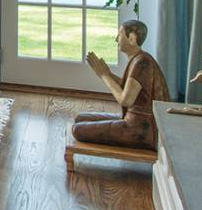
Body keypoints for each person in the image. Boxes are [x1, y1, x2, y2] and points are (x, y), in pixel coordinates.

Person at [72, 18, 168, 150]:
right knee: (80, 118)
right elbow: (127, 87)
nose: (116, 39)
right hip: (133, 120)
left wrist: (104, 75)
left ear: (132, 39)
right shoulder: (139, 58)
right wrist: (108, 73)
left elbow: (126, 100)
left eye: (120, 35)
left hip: (141, 129)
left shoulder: (142, 63)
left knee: (77, 129)